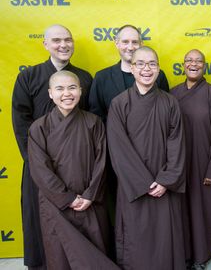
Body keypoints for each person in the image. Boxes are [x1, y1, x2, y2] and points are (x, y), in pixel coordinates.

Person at [12, 24, 92, 269]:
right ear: (45, 44)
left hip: (76, 164)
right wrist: (37, 164)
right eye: (56, 40)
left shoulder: (85, 78)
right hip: (40, 166)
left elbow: (89, 121)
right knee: (40, 218)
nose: (63, 45)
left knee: (78, 217)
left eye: (68, 39)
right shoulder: (29, 77)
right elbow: (21, 120)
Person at [27, 71, 118, 270]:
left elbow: (102, 163)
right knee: (61, 256)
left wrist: (89, 195)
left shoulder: (93, 122)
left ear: (80, 91)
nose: (67, 93)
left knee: (95, 254)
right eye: (60, 88)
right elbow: (40, 170)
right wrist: (68, 198)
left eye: (72, 88)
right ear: (50, 93)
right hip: (56, 204)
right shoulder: (38, 128)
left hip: (90, 201)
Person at [107, 46, 186, 269]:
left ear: (159, 69)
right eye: (140, 64)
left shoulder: (170, 102)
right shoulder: (119, 103)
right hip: (134, 186)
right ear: (132, 68)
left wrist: (165, 180)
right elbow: (118, 148)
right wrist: (144, 183)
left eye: (152, 64)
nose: (146, 69)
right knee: (136, 237)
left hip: (164, 184)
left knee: (164, 238)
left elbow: (177, 143)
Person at [171, 49, 211, 270]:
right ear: (183, 65)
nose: (193, 64)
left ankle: (201, 258)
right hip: (178, 166)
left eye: (198, 61)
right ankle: (183, 255)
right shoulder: (173, 93)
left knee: (203, 211)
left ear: (204, 66)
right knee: (181, 212)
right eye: (189, 60)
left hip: (204, 166)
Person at [89, 24, 169, 123]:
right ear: (117, 44)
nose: (130, 47)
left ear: (141, 44)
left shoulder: (158, 75)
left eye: (135, 42)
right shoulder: (102, 77)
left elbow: (165, 110)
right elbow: (96, 117)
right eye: (125, 42)